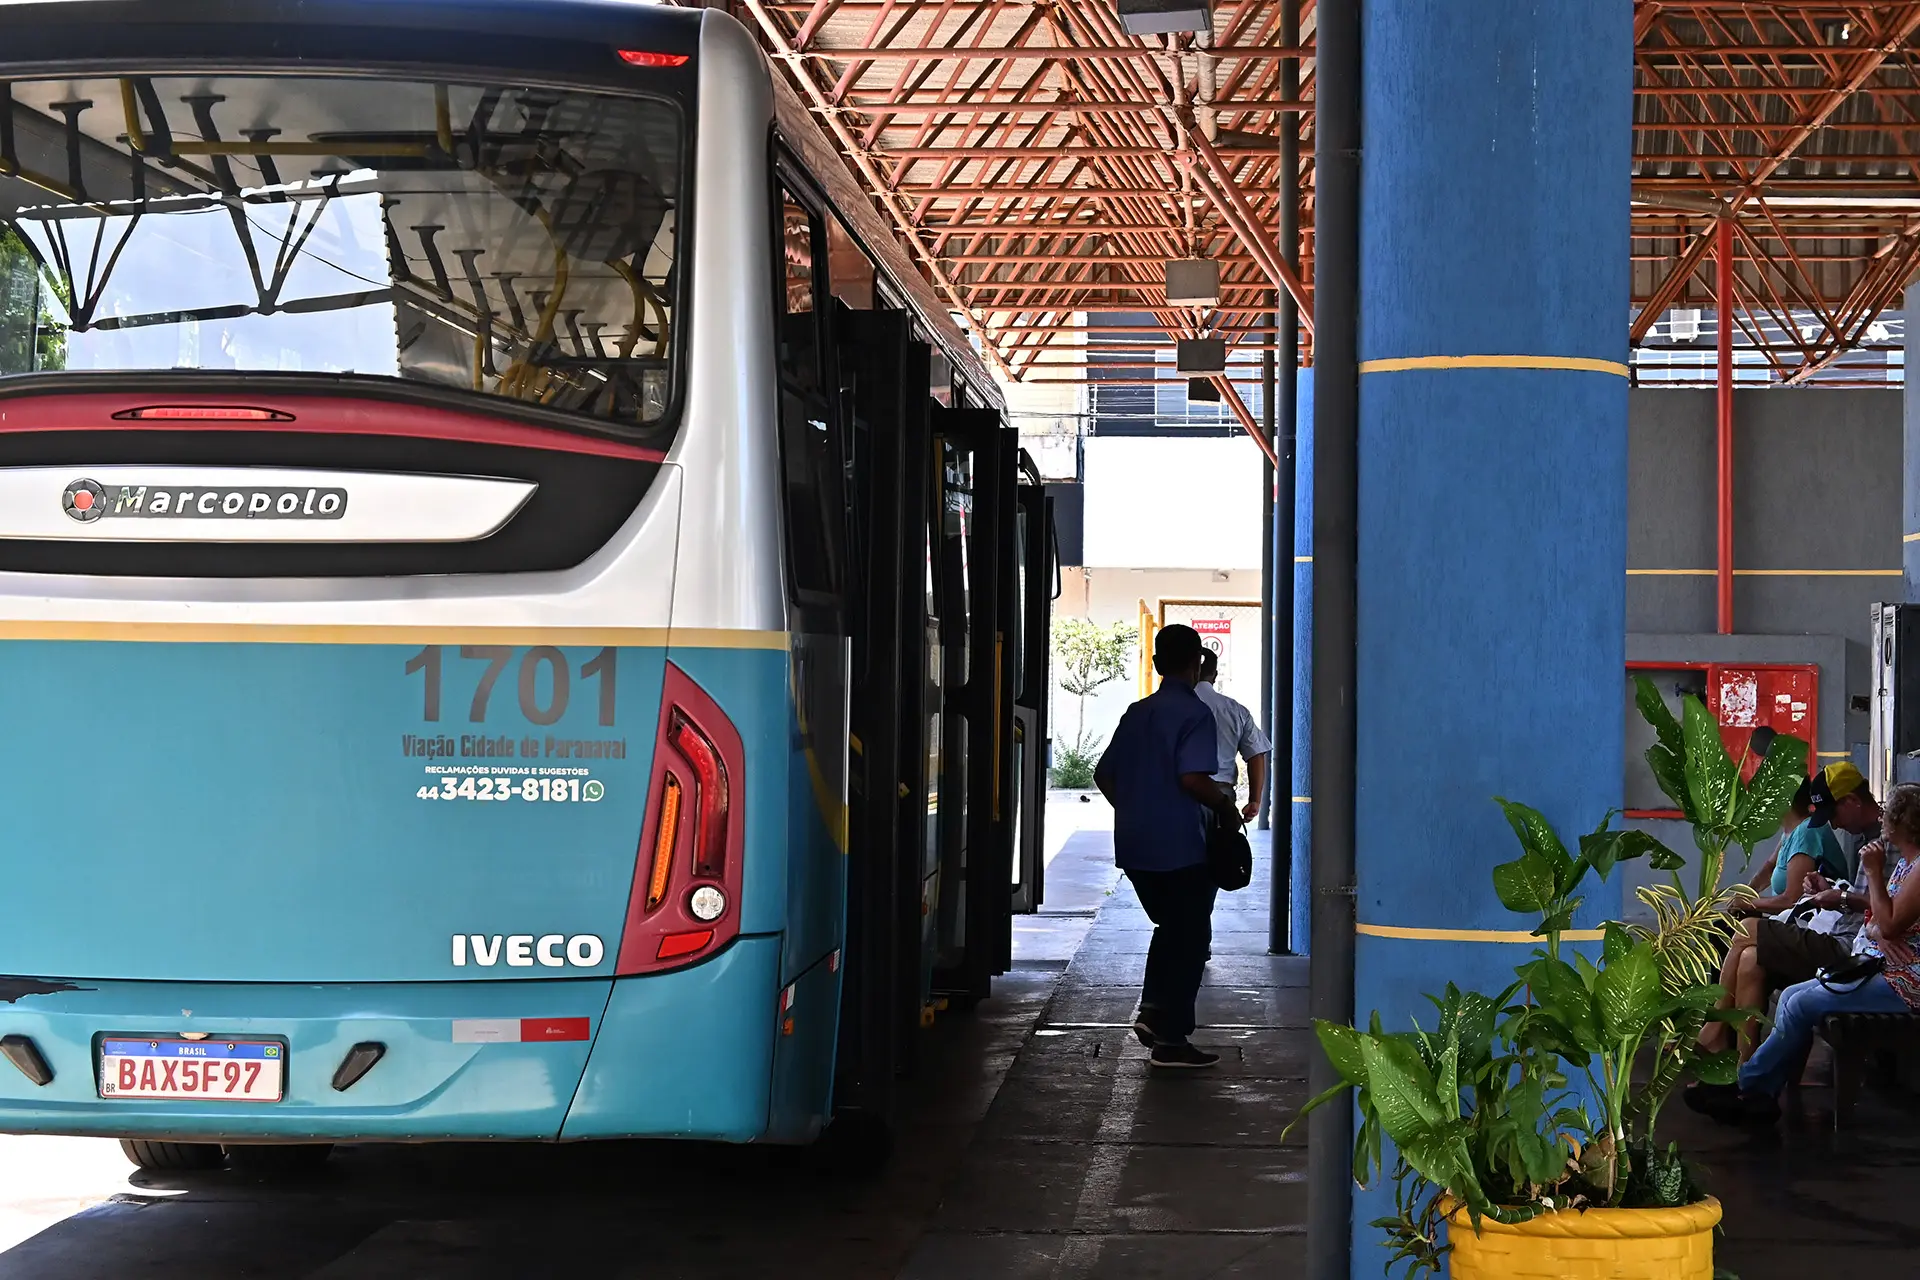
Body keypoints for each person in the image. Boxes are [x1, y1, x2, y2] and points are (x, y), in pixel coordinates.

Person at [1685, 780, 1920, 1126]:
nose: (1883, 821)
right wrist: (1880, 928)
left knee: (1799, 1002)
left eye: (1889, 816)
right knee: (1793, 994)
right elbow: (1875, 920)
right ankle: (1757, 1088)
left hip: (1905, 980)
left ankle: (1747, 1085)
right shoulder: (1906, 865)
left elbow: (1886, 922)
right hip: (1879, 964)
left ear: (1903, 823)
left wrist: (1872, 876)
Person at [1094, 623, 1241, 1070]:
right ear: (1198, 664)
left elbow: (1104, 774)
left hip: (1137, 848)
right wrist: (1226, 805)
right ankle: (1171, 1039)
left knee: (1172, 928)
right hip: (1181, 846)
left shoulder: (1136, 712)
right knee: (1192, 936)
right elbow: (1193, 779)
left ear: (1157, 665)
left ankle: (1154, 1012)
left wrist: (1138, 808)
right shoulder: (1195, 714)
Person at [1700, 778, 1861, 1059]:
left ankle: (1716, 1029)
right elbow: (1767, 868)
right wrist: (1743, 895)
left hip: (1811, 925)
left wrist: (1748, 904)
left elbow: (1790, 898)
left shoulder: (1808, 832)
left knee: (1741, 930)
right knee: (1735, 942)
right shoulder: (1790, 832)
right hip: (1796, 921)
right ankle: (1740, 1067)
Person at [1195, 648, 1272, 823]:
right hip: (1223, 798)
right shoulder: (1236, 710)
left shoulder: (1172, 707)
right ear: (1214, 675)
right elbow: (1256, 754)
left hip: (1183, 796)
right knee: (1222, 848)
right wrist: (1254, 800)